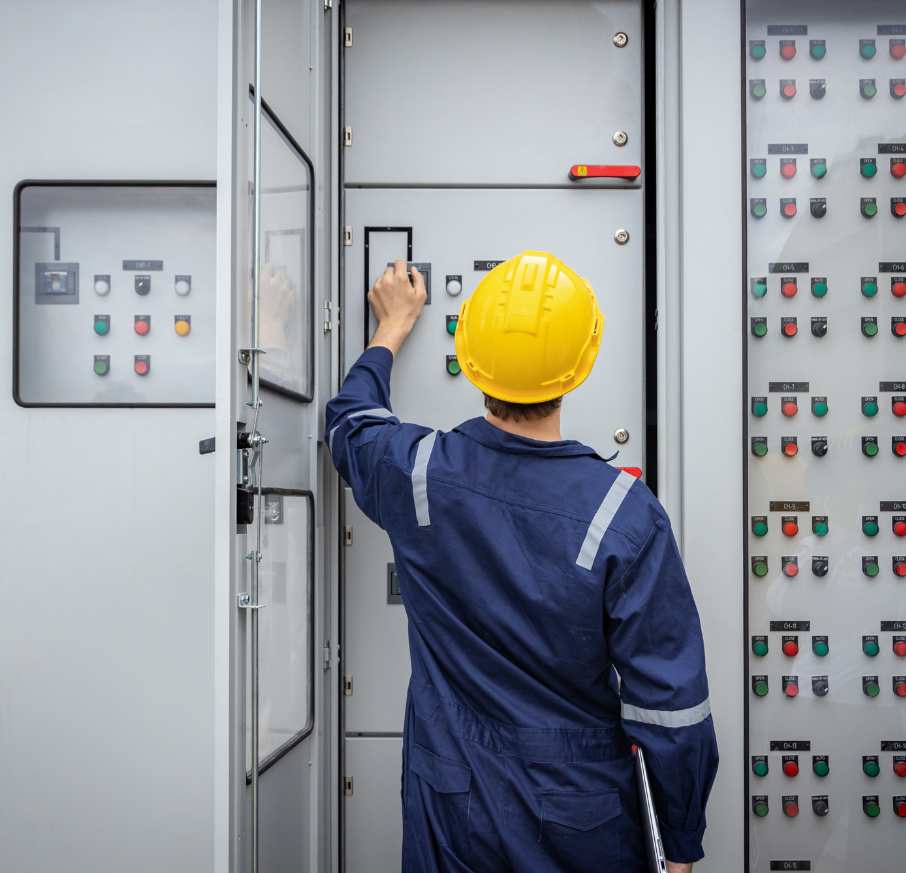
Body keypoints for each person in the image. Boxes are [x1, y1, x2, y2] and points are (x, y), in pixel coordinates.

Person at [326, 253, 718, 873]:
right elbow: (671, 709)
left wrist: (391, 328)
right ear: (581, 365)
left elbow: (349, 423)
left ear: (470, 355)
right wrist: (680, 841)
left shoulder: (418, 474)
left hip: (451, 807)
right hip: (581, 815)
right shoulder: (624, 513)